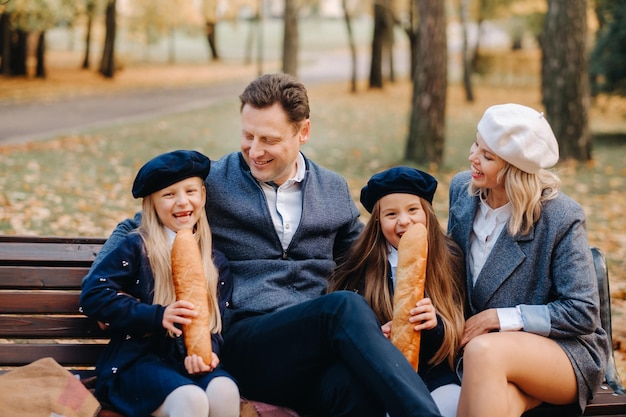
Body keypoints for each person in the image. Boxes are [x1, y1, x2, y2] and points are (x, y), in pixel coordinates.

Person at [91, 73, 442, 417]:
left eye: (269, 140)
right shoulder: (215, 183)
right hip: (247, 341)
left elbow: (365, 254)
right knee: (341, 309)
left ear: (303, 131)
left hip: (311, 352)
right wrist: (103, 287)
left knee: (354, 390)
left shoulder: (332, 189)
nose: (255, 151)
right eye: (247, 136)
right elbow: (135, 226)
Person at [447, 103, 609, 417]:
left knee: (482, 352)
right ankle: (527, 396)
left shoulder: (559, 216)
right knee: (500, 400)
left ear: (514, 169)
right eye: (476, 144)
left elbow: (583, 311)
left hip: (564, 351)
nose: (472, 158)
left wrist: (501, 318)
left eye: (487, 156)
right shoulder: (462, 190)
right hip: (483, 356)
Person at [80, 150, 240, 417]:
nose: (182, 202)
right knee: (191, 399)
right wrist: (157, 315)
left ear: (203, 195)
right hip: (135, 362)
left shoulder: (215, 261)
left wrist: (207, 354)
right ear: (152, 204)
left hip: (182, 363)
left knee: (225, 391)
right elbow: (94, 296)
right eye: (168, 195)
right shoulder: (136, 247)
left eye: (190, 191)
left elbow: (214, 324)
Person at [327, 166, 466, 417]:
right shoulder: (362, 263)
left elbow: (458, 326)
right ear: (378, 222)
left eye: (413, 210)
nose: (404, 221)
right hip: (383, 373)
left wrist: (435, 325)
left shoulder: (449, 257)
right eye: (391, 214)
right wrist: (373, 333)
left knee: (452, 405)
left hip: (435, 372)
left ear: (428, 213)